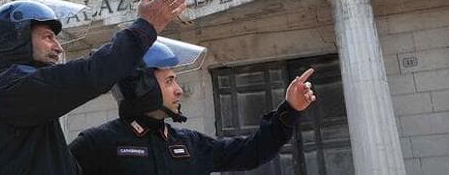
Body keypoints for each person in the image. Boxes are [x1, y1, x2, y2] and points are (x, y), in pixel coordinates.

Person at [0, 0, 192, 175]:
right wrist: (146, 27)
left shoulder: (18, 93)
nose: (58, 47)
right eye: (48, 37)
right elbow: (91, 74)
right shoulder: (7, 88)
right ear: (16, 38)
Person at [69, 40, 317, 175]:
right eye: (169, 81)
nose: (178, 90)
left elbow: (251, 151)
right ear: (143, 88)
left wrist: (290, 110)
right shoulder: (97, 144)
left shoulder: (190, 143)